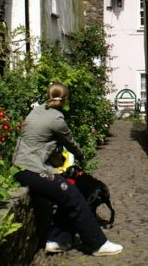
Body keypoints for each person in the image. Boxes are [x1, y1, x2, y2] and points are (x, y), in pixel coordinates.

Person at [12, 82, 123, 256]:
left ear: (47, 96)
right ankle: (98, 244)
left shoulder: (36, 111)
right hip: (32, 171)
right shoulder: (57, 120)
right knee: (73, 195)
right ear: (65, 100)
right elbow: (70, 143)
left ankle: (59, 240)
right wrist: (81, 156)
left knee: (70, 191)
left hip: (21, 168)